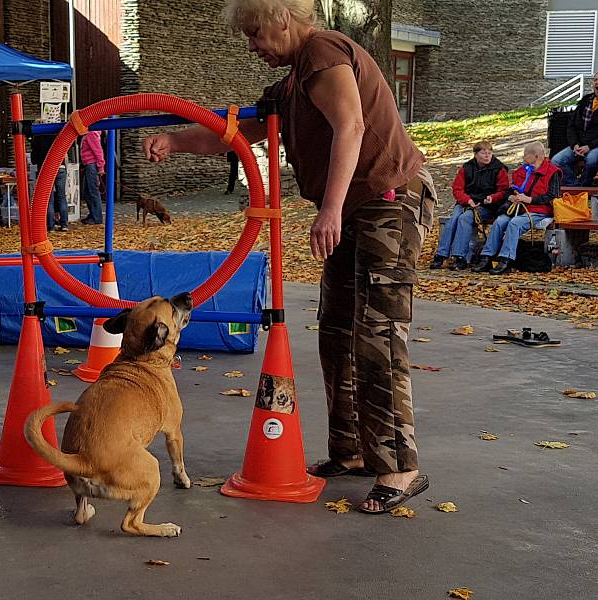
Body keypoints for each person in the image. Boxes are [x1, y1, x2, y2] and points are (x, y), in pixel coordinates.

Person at [143, 0, 435, 514]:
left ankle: (399, 466)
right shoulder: (291, 83)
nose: (252, 46)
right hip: (357, 206)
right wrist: (174, 141)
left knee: (378, 335)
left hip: (387, 202)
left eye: (256, 33)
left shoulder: (323, 52)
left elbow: (352, 128)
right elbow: (232, 136)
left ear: (283, 17)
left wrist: (331, 210)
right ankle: (351, 454)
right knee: (338, 330)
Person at [472, 141, 561, 275]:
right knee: (499, 222)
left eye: (526, 155)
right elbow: (510, 190)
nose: (524, 158)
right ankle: (487, 257)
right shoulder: (522, 170)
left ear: (536, 156)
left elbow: (552, 195)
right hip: (516, 208)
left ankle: (506, 259)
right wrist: (510, 197)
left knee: (515, 224)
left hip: (539, 210)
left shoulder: (552, 172)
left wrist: (530, 199)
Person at [430, 140, 508, 270]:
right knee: (453, 219)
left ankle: (460, 257)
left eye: (489, 153)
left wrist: (492, 198)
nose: (487, 156)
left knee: (464, 218)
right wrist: (467, 201)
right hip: (466, 202)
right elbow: (457, 189)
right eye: (483, 153)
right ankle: (441, 255)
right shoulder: (466, 168)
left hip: (487, 206)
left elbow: (504, 190)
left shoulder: (499, 169)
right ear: (476, 154)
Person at [551, 71, 598, 186]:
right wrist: (575, 144)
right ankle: (575, 185)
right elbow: (572, 125)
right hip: (580, 144)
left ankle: (585, 184)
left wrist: (589, 146)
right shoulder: (585, 100)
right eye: (595, 80)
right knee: (556, 161)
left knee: (591, 160)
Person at [30, 131, 69, 232]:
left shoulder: (37, 138)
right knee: (61, 196)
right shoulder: (58, 135)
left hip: (45, 169)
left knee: (48, 198)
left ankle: (50, 226)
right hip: (60, 167)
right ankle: (64, 224)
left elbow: (34, 159)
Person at [80, 130, 105, 225]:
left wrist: (100, 167)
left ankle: (97, 217)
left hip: (91, 164)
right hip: (89, 164)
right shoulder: (90, 133)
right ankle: (93, 214)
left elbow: (98, 151)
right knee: (87, 191)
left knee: (93, 191)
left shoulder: (91, 133)